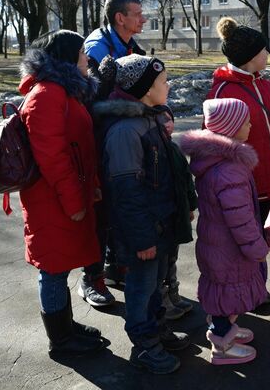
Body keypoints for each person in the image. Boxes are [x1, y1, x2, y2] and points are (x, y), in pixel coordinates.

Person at [94, 54, 192, 374]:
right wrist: (142, 236)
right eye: (163, 81)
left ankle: (157, 331)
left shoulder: (148, 119)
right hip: (143, 231)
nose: (168, 85)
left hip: (160, 224)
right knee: (140, 287)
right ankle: (145, 345)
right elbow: (126, 193)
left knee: (155, 286)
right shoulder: (125, 132)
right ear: (145, 88)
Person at [17, 30, 104, 356]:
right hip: (52, 201)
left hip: (64, 197)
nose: (88, 59)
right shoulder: (47, 95)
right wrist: (74, 203)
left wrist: (90, 189)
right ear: (67, 58)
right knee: (52, 271)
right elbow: (52, 157)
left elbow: (78, 146)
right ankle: (60, 341)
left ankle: (65, 327)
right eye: (82, 53)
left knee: (61, 266)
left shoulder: (62, 91)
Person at [206, 17, 270, 306]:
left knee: (261, 242)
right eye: (265, 50)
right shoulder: (222, 92)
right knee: (245, 243)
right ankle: (253, 293)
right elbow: (213, 146)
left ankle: (257, 288)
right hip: (240, 188)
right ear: (251, 56)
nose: (268, 54)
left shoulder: (268, 88)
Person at [180, 98, 269, 365]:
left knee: (225, 292)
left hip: (216, 244)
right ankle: (222, 346)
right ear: (231, 128)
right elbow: (240, 219)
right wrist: (257, 248)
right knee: (227, 295)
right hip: (229, 248)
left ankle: (227, 330)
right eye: (246, 121)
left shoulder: (216, 160)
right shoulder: (230, 171)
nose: (251, 124)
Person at [79, 0, 147, 304]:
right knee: (102, 211)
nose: (142, 18)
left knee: (121, 206)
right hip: (100, 141)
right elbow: (94, 102)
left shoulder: (131, 45)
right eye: (137, 13)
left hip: (120, 136)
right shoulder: (96, 49)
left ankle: (115, 266)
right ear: (120, 18)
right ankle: (91, 278)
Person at [158, 105, 197, 321]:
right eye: (162, 119)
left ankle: (173, 293)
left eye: (170, 118)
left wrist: (191, 206)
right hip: (164, 215)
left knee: (172, 256)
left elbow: (186, 179)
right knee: (163, 260)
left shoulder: (175, 149)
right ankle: (163, 299)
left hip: (178, 213)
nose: (168, 123)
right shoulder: (156, 149)